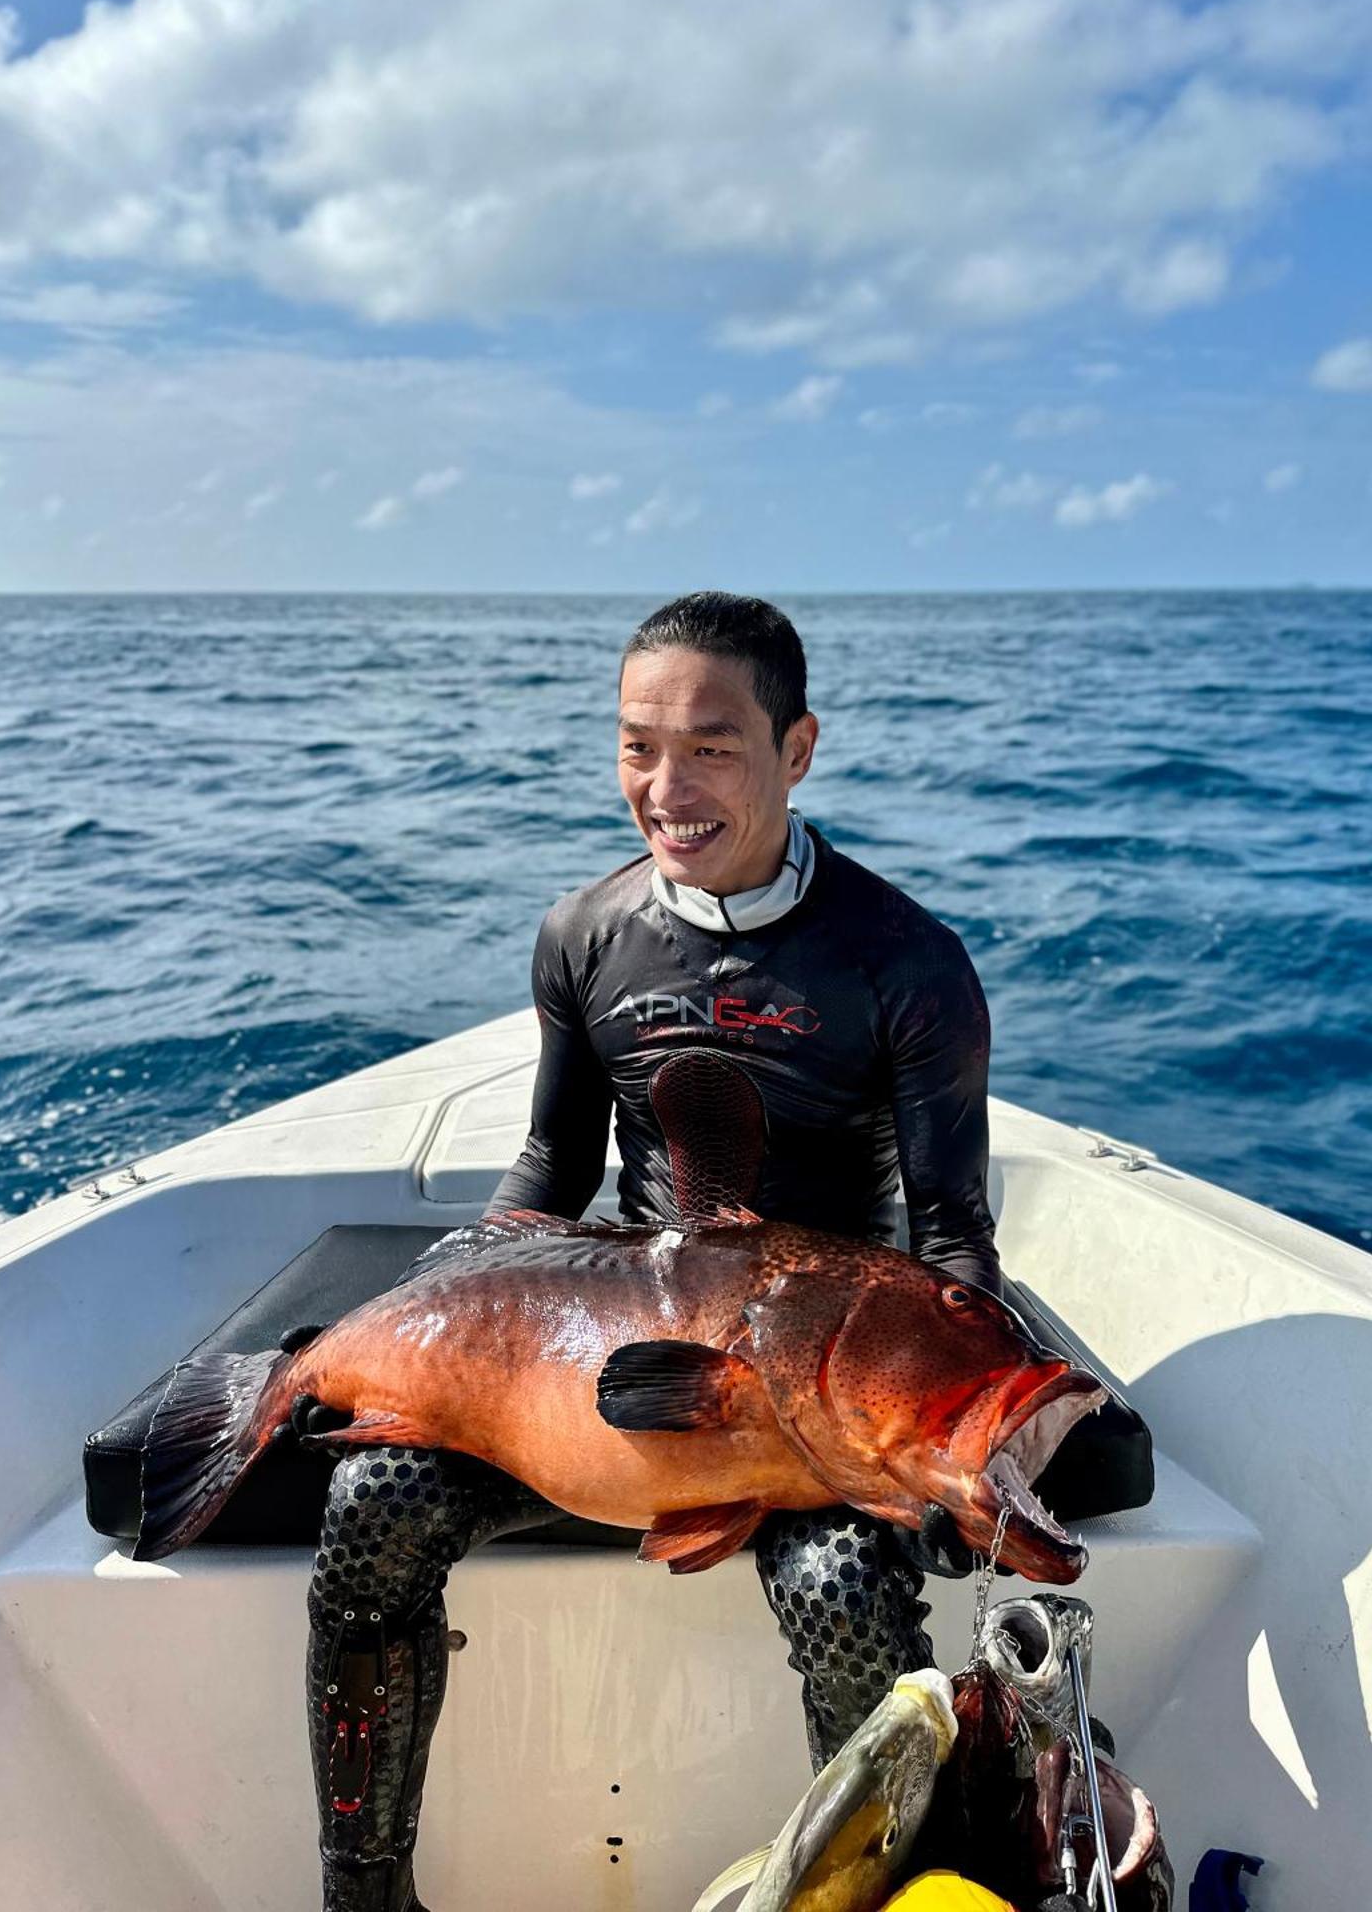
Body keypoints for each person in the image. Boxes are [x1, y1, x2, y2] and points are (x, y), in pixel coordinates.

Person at [302, 592, 999, 1911]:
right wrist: (447, 1305)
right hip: (614, 1372)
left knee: (851, 1584)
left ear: (798, 750)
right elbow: (552, 1176)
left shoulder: (908, 964)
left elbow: (953, 1236)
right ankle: (365, 1893)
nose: (665, 789)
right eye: (636, 747)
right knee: (372, 1503)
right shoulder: (585, 933)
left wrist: (961, 1451)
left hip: (811, 1395)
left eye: (712, 747)